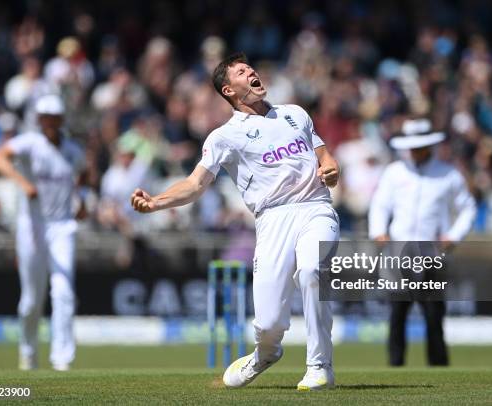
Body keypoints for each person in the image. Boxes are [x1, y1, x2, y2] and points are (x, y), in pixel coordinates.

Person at [131, 52, 340, 390]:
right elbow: (195, 184)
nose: (252, 72)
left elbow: (323, 155)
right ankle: (265, 353)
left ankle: (320, 367)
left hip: (315, 207)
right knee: (269, 321)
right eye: (243, 72)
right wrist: (156, 202)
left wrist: (331, 168)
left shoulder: (294, 115)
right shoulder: (224, 136)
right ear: (229, 90)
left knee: (313, 271)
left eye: (251, 68)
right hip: (272, 219)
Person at [0, 94, 85, 371]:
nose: (51, 123)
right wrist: (23, 182)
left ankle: (62, 358)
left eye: (55, 118)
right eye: (46, 118)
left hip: (63, 226)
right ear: (40, 120)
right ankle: (28, 351)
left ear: (61, 120)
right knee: (31, 299)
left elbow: (84, 177)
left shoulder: (73, 150)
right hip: (32, 226)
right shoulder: (30, 143)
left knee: (64, 291)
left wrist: (84, 202)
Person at [369, 119, 476, 366]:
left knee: (433, 314)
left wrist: (453, 236)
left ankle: (438, 366)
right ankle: (395, 366)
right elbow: (380, 204)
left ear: (430, 146)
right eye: (411, 147)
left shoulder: (447, 174)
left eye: (419, 147)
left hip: (432, 253)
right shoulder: (395, 172)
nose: (414, 152)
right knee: (398, 314)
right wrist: (378, 232)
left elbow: (468, 208)